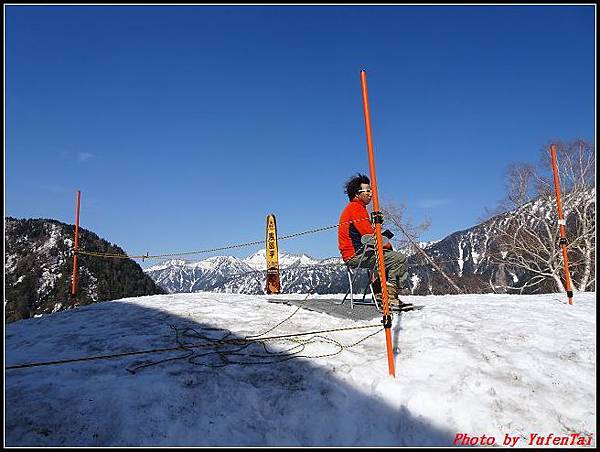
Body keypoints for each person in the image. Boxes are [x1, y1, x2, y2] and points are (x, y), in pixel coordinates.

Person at [337, 173, 408, 305]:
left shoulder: (354, 208)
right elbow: (369, 235)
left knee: (389, 256)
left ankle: (380, 291)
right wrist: (386, 245)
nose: (371, 194)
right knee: (399, 259)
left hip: (355, 253)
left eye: (371, 190)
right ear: (357, 194)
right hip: (357, 254)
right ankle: (388, 295)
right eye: (367, 191)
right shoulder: (356, 209)